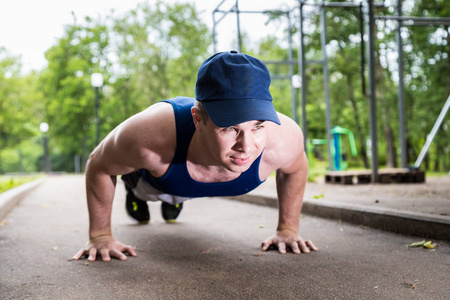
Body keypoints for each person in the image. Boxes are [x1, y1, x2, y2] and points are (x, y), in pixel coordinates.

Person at [72, 50, 318, 262]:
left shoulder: (284, 137)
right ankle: (139, 196)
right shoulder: (149, 137)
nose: (246, 146)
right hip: (153, 181)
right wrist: (100, 236)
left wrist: (287, 229)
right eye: (230, 128)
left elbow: (296, 167)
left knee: (176, 194)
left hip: (183, 177)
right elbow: (99, 164)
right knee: (149, 193)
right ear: (198, 120)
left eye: (257, 127)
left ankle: (175, 199)